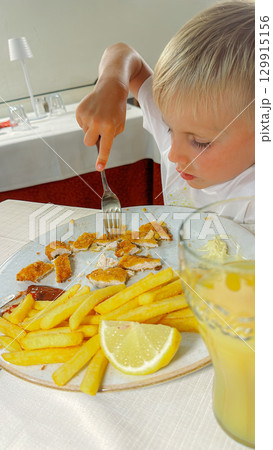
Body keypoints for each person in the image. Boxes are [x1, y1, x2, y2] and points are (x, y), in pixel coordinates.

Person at [76, 0, 254, 222]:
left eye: (201, 142)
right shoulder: (185, 125)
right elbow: (123, 54)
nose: (172, 154)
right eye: (169, 128)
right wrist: (112, 84)